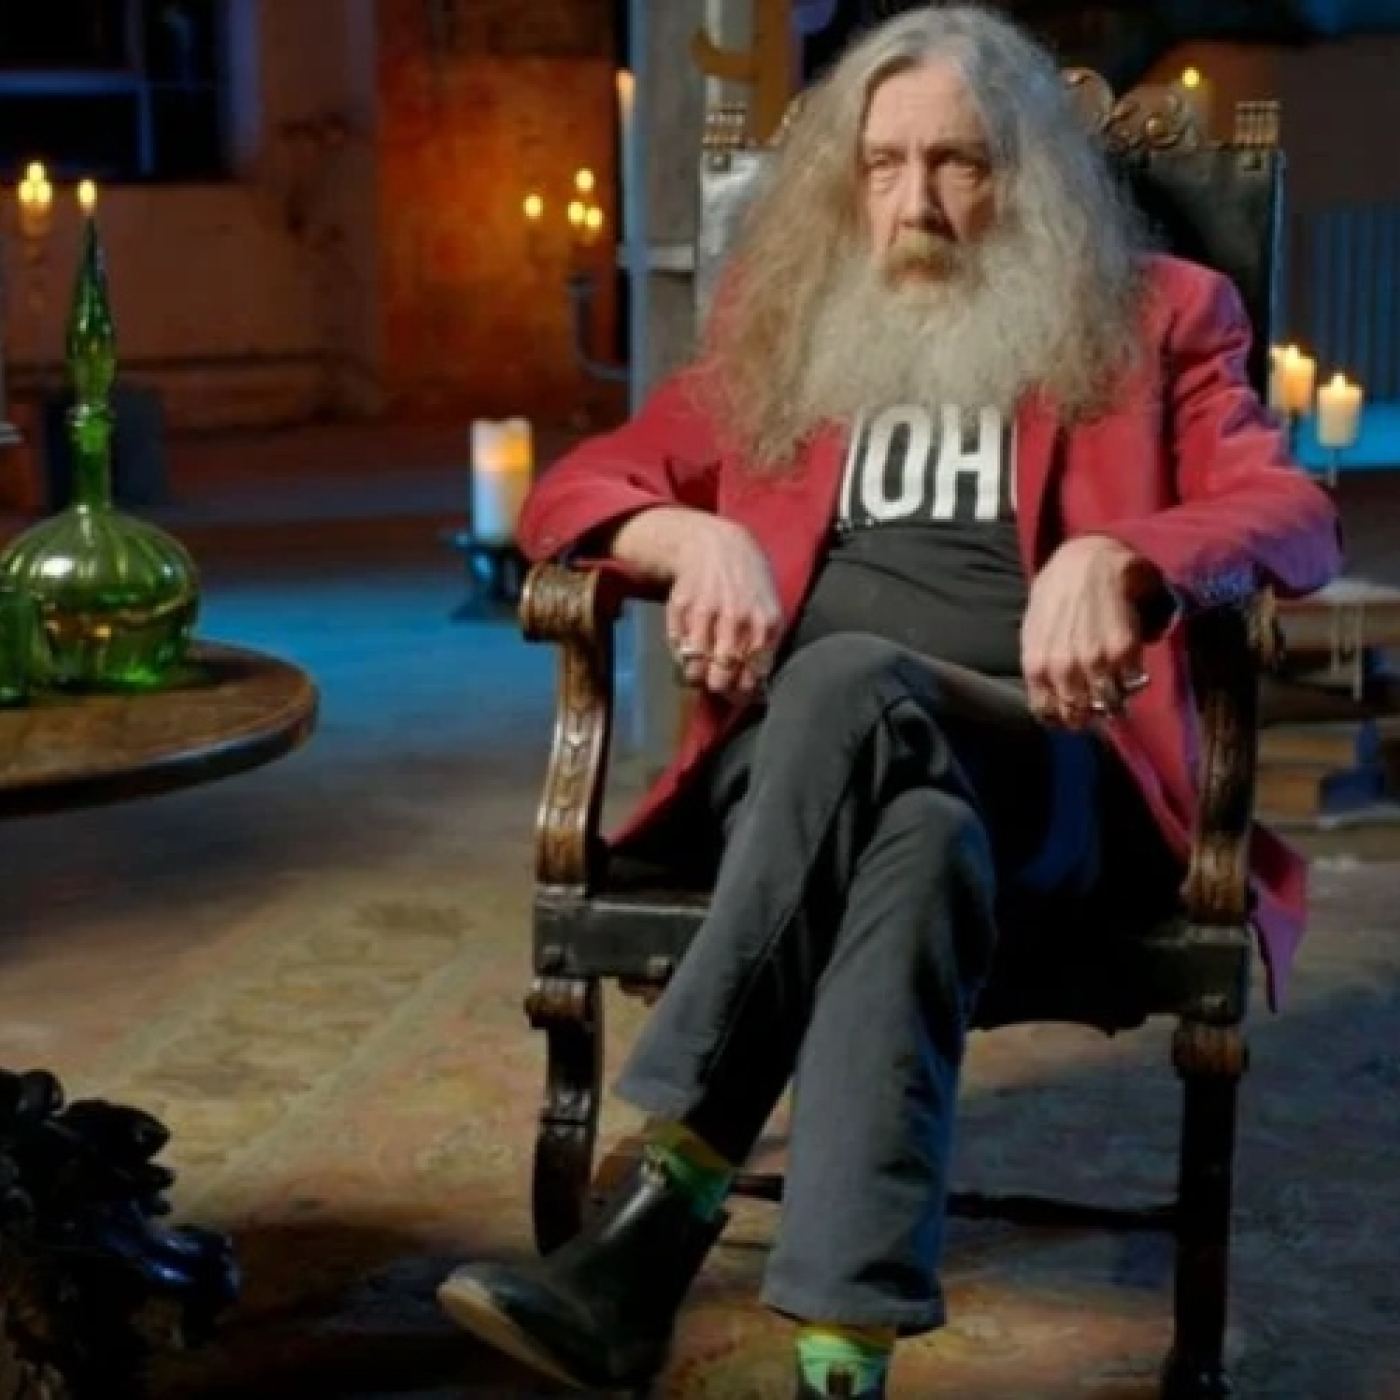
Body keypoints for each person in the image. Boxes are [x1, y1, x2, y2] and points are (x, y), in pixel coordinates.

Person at [438, 5, 1342, 1397]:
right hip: (795, 779)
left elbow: (1293, 515)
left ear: (1029, 171)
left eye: (958, 163)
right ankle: (841, 1364)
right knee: (917, 838)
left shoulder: (1159, 315)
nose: (914, 203)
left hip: (1052, 761)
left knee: (856, 680)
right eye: (882, 165)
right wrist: (687, 535)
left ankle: (668, 1193)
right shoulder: (790, 324)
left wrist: (1126, 555)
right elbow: (579, 489)